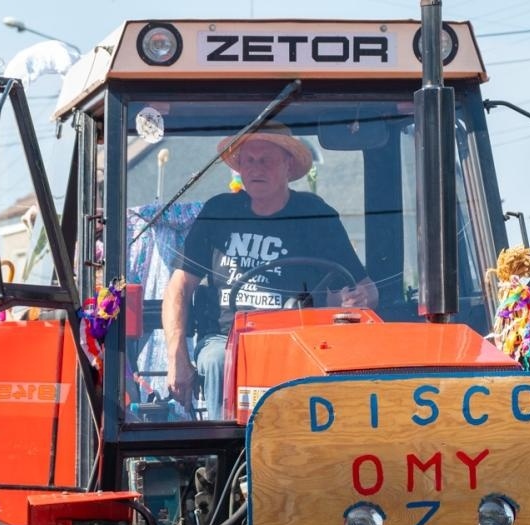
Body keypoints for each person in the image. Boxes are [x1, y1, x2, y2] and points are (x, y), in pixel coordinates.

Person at [162, 122, 377, 419]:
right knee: (215, 361)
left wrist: (357, 300)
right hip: (224, 340)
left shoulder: (315, 215)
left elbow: (366, 289)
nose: (255, 168)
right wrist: (176, 358)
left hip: (299, 339)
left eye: (266, 160)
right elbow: (179, 287)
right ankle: (223, 452)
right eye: (248, 161)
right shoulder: (218, 212)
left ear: (288, 166)